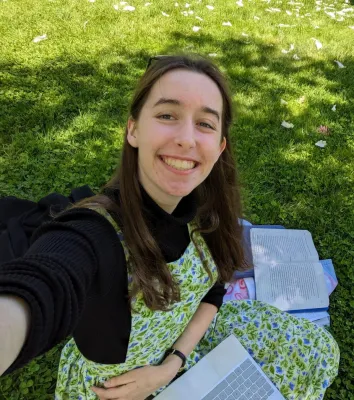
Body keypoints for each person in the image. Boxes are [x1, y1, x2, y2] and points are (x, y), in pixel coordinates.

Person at [0, 53, 339, 400]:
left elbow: (215, 288)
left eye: (205, 123)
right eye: (167, 115)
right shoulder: (94, 233)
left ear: (220, 146)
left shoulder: (206, 208)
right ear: (133, 129)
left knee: (317, 351)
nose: (187, 139)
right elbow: (46, 284)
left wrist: (172, 363)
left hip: (186, 346)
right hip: (121, 390)